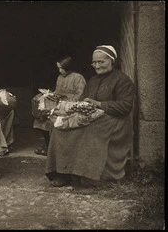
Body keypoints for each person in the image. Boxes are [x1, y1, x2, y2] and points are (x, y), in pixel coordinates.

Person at [45, 45, 135, 187]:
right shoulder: (92, 81)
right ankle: (63, 173)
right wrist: (68, 109)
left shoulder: (123, 81)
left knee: (85, 131)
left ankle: (88, 175)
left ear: (112, 61)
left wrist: (98, 104)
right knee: (60, 126)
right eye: (94, 62)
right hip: (92, 118)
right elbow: (82, 101)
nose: (97, 66)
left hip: (114, 121)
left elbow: (125, 107)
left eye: (101, 62)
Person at [33, 55, 86, 156]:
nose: (60, 71)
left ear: (68, 67)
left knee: (51, 119)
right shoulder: (60, 77)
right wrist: (49, 94)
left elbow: (80, 96)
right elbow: (57, 92)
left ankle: (53, 148)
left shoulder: (78, 78)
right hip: (58, 105)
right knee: (41, 118)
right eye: (59, 68)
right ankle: (49, 145)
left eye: (61, 68)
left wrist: (64, 97)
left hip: (70, 107)